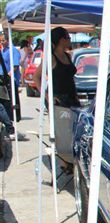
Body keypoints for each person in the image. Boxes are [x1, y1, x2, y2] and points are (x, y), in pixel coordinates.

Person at [33, 27, 81, 172]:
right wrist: (48, 97)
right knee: (61, 132)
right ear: (61, 39)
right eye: (68, 37)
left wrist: (77, 97)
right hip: (59, 101)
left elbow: (70, 79)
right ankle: (64, 163)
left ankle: (72, 160)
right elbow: (36, 77)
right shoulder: (51, 57)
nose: (70, 40)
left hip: (72, 98)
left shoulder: (68, 56)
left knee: (74, 130)